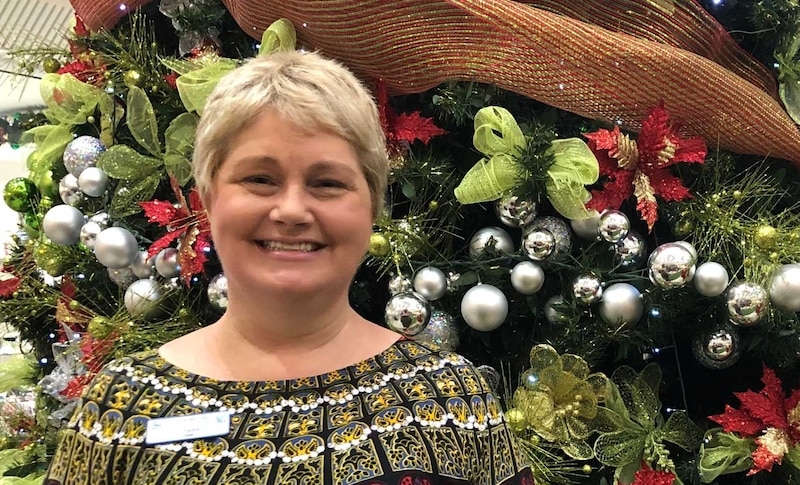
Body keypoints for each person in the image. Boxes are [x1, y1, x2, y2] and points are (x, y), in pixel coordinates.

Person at [44, 50, 534, 485]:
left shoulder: (452, 399)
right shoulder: (118, 410)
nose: (293, 210)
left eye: (327, 183)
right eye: (259, 178)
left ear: (371, 208)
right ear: (209, 199)